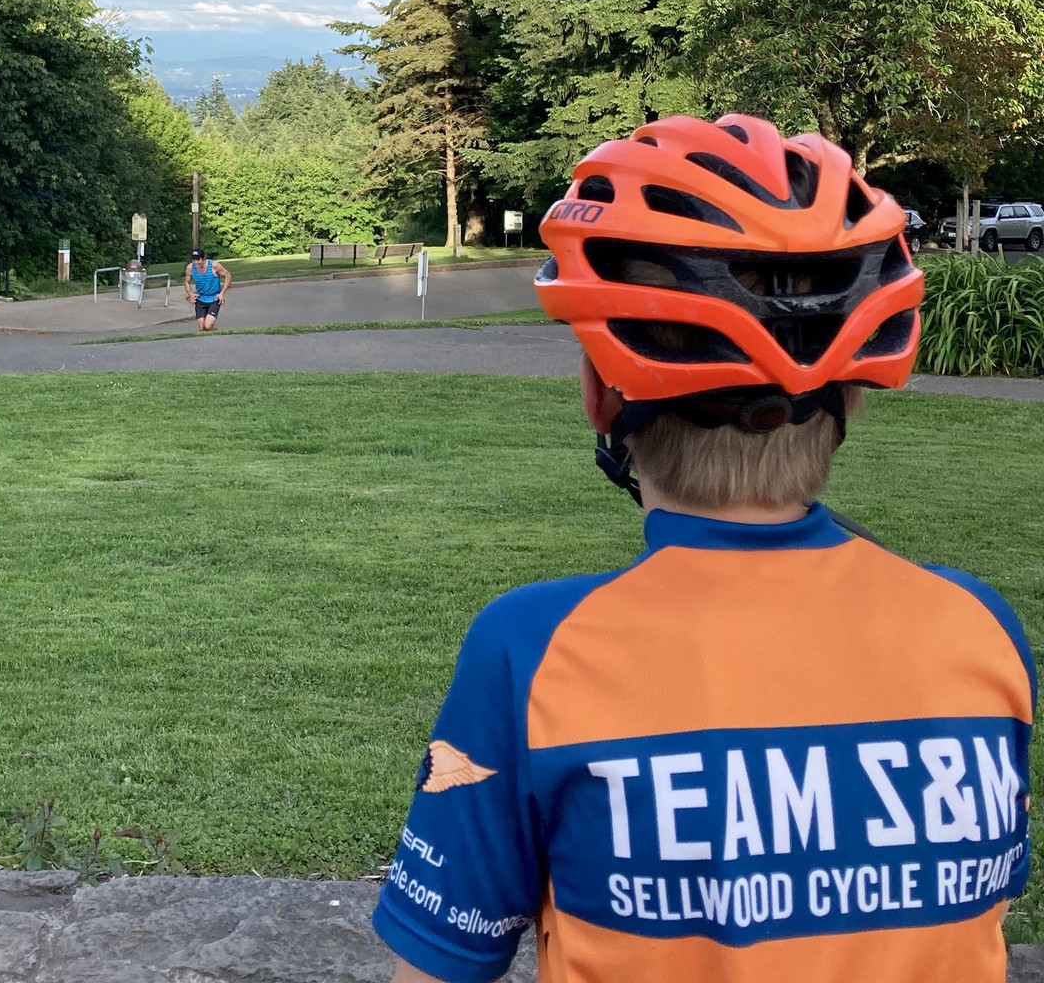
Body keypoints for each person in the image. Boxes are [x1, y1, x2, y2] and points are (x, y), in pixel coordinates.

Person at [373, 114, 1034, 983]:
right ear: (854, 392)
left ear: (600, 396)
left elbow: (440, 967)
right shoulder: (979, 629)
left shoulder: (530, 651)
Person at [185, 248, 230, 331]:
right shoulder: (190, 268)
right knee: (202, 328)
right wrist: (190, 294)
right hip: (200, 298)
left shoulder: (214, 265)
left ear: (203, 258)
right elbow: (186, 282)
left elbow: (228, 275)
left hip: (214, 298)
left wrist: (222, 293)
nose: (195, 262)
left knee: (208, 326)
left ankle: (214, 329)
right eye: (193, 259)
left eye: (198, 259)